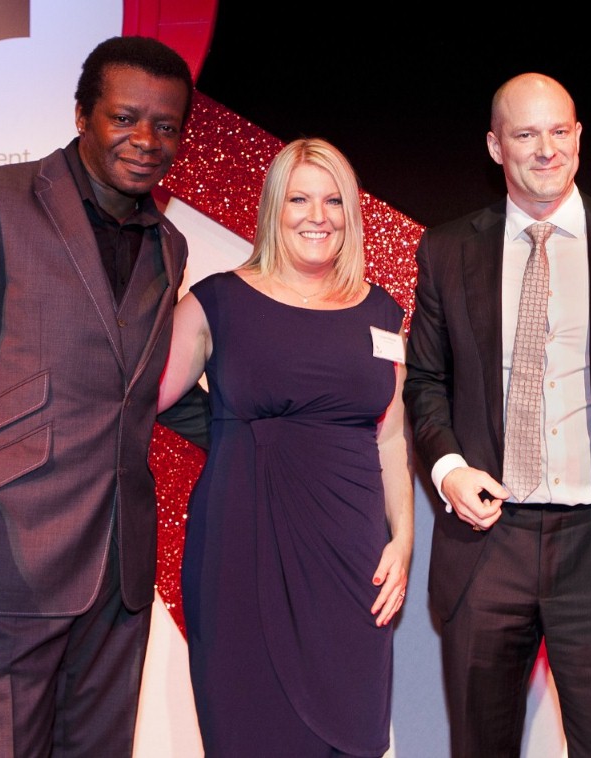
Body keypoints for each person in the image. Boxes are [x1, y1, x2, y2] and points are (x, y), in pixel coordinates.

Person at [0, 36, 203, 757]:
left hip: (118, 580)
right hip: (4, 571)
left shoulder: (168, 246)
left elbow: (135, 393)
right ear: (82, 114)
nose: (146, 141)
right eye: (125, 117)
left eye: (166, 126)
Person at [403, 72, 591, 758]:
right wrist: (448, 469)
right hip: (488, 544)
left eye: (560, 131)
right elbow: (425, 381)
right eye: (526, 134)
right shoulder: (447, 250)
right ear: (494, 145)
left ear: (579, 137)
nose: (546, 149)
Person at [157, 137, 413, 757]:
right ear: (274, 206)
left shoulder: (382, 312)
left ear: (352, 214)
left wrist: (403, 538)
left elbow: (393, 434)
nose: (317, 216)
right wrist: (230, 425)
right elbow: (141, 395)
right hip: (240, 548)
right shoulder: (216, 301)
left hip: (352, 558)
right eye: (299, 198)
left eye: (333, 201)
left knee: (348, 733)